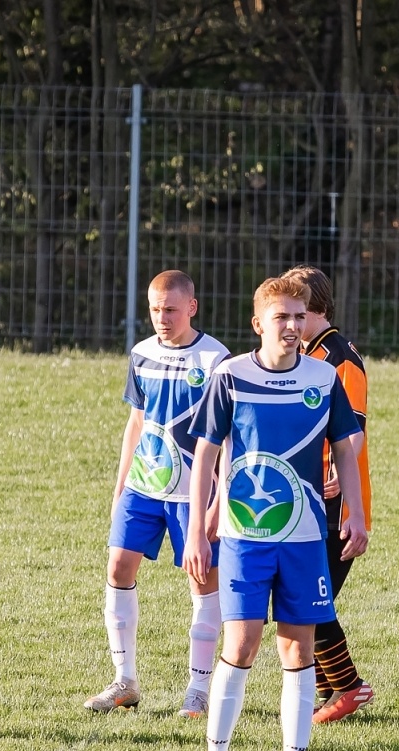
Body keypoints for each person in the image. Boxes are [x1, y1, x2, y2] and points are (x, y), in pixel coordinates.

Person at [183, 276, 367, 751]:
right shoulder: (231, 376)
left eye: (297, 315)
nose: (290, 326)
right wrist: (198, 529)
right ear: (258, 323)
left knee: (297, 648)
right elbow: (205, 457)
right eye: (279, 317)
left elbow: (346, 447)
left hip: (307, 539)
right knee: (240, 643)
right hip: (246, 537)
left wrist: (353, 513)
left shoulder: (322, 378)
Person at [87, 270, 232, 717]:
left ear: (192, 307)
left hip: (194, 492)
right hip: (144, 485)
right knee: (118, 565)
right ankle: (124, 680)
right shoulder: (142, 354)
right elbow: (136, 422)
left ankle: (199, 689)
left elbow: (227, 439)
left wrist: (218, 504)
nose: (162, 318)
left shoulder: (216, 360)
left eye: (171, 309)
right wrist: (119, 485)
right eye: (155, 309)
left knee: (202, 580)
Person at [279, 265, 374, 724]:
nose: (290, 323)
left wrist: (338, 468)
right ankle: (329, 692)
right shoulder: (309, 354)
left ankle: (349, 688)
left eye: (297, 312)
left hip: (337, 502)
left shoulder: (339, 357)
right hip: (308, 496)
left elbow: (352, 429)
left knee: (310, 601)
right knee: (304, 600)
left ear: (314, 308)